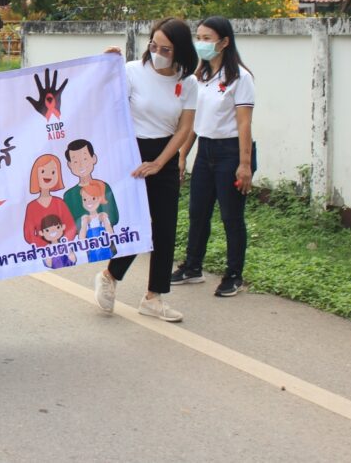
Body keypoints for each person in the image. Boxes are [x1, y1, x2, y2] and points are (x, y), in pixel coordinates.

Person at [93, 18, 198, 322]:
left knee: (164, 227)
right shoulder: (132, 71)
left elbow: (184, 128)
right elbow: (105, 102)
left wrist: (160, 163)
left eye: (165, 49)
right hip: (132, 152)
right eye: (154, 45)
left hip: (164, 155)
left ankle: (154, 296)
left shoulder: (188, 82)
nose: (157, 53)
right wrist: (106, 66)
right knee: (136, 223)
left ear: (180, 51)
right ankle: (110, 276)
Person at [173, 16, 255, 298]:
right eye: (199, 38)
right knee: (198, 212)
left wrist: (244, 165)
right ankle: (192, 267)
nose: (201, 43)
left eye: (207, 38)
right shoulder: (200, 78)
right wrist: (182, 155)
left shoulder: (240, 78)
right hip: (205, 149)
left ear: (224, 42)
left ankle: (234, 275)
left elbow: (244, 123)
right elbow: (194, 123)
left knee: (231, 217)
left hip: (231, 152)